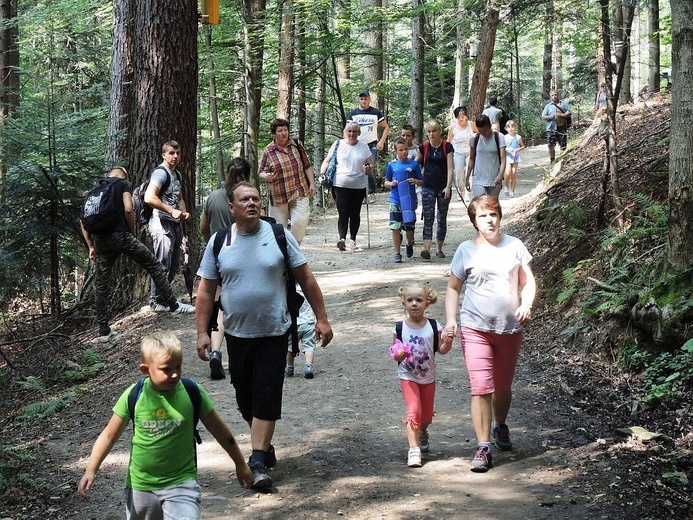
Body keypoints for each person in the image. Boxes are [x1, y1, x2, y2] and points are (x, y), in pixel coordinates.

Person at [195, 182, 333, 489]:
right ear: (231, 208)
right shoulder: (220, 242)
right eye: (244, 199)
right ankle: (265, 445)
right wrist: (203, 332)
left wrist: (322, 319)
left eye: (256, 198)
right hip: (236, 334)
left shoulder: (278, 235)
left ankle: (257, 460)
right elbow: (205, 290)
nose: (252, 203)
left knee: (266, 394)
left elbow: (306, 278)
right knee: (246, 399)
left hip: (274, 330)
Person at [77, 331, 253, 516]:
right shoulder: (134, 396)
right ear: (146, 370)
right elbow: (109, 436)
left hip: (182, 483)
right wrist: (91, 469)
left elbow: (219, 430)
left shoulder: (192, 392)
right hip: (141, 486)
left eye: (178, 366)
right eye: (166, 369)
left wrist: (240, 463)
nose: (174, 374)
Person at [444, 195, 536, 473]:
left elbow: (528, 281)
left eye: (493, 214)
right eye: (483, 216)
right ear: (475, 220)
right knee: (481, 387)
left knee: (503, 385)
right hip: (475, 326)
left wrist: (527, 304)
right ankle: (483, 446)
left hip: (509, 328)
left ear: (499, 216)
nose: (490, 220)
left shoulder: (515, 246)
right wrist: (451, 319)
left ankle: (500, 425)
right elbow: (452, 288)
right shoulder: (465, 250)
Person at [80, 167, 194, 342]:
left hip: (100, 240)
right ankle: (174, 305)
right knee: (154, 264)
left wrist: (90, 245)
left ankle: (103, 330)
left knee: (102, 283)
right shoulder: (123, 184)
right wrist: (131, 233)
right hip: (121, 235)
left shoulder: (95, 190)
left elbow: (83, 220)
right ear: (124, 175)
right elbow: (128, 209)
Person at [199, 157, 252, 380]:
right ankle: (246, 357)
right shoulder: (247, 197)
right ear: (248, 175)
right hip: (244, 258)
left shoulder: (213, 197)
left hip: (219, 259)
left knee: (219, 308)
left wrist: (212, 244)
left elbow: (203, 226)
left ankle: (217, 351)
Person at [391, 284, 451, 468]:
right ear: (404, 304)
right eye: (410, 300)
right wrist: (398, 353)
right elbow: (394, 351)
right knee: (414, 410)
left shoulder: (434, 326)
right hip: (407, 375)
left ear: (427, 303)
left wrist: (448, 341)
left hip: (428, 376)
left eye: (419, 300)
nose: (414, 304)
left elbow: (441, 350)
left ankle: (423, 430)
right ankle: (414, 449)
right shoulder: (400, 327)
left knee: (426, 416)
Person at [144, 140, 193, 311]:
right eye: (171, 153)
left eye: (178, 153)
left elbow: (179, 198)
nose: (175, 156)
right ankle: (156, 301)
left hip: (175, 223)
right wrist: (170, 211)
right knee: (162, 263)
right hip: (161, 222)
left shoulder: (176, 174)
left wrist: (183, 212)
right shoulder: (160, 173)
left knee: (173, 265)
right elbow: (149, 197)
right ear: (164, 154)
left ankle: (164, 298)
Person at [258, 118, 316, 245]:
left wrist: (312, 183)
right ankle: (283, 256)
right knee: (279, 228)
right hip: (278, 194)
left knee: (300, 221)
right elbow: (260, 171)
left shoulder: (296, 144)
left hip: (299, 189)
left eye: (285, 130)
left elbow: (307, 165)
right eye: (280, 131)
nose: (283, 133)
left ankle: (294, 249)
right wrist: (266, 176)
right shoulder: (269, 150)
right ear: (274, 133)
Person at [319, 122, 374, 253]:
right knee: (343, 212)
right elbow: (327, 161)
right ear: (345, 132)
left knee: (355, 213)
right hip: (340, 184)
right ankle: (342, 239)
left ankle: (353, 240)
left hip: (359, 185)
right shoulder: (338, 144)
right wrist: (322, 174)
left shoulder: (364, 146)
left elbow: (371, 165)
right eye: (349, 131)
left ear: (358, 133)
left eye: (354, 132)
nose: (352, 134)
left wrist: (368, 168)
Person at [416, 119, 454, 260]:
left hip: (443, 187)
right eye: (429, 132)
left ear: (439, 131)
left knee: (441, 218)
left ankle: (439, 248)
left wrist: (448, 186)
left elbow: (451, 168)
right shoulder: (424, 147)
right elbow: (415, 165)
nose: (431, 134)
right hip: (428, 186)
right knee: (428, 217)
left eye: (434, 131)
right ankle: (426, 248)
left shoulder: (447, 146)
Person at [384, 138, 423, 263]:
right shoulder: (392, 165)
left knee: (409, 226)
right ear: (396, 151)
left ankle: (409, 243)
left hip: (410, 199)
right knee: (395, 226)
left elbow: (422, 181)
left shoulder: (414, 165)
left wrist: (416, 181)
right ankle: (397, 253)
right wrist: (392, 183)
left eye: (406, 149)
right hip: (395, 199)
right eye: (401, 150)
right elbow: (386, 182)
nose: (404, 152)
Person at [347, 89, 390, 202]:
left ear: (369, 99)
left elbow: (386, 127)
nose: (363, 101)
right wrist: (347, 143)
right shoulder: (353, 114)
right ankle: (359, 193)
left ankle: (371, 192)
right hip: (357, 145)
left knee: (369, 168)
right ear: (359, 99)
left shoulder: (375, 112)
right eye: (361, 98)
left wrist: (381, 141)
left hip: (371, 145)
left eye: (365, 98)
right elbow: (347, 130)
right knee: (357, 168)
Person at [465, 115, 507, 198]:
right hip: (478, 177)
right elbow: (471, 159)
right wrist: (467, 178)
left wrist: (500, 174)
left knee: (492, 205)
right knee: (480, 203)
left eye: (485, 131)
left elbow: (503, 159)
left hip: (494, 177)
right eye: (480, 131)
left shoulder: (499, 137)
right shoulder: (474, 139)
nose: (483, 134)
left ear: (490, 126)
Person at [284, 285, 318, 379]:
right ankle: (308, 367)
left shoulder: (288, 289)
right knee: (309, 347)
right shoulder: (307, 289)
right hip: (308, 322)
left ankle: (289, 367)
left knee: (290, 347)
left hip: (293, 324)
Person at [447, 106, 477, 201]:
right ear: (456, 117)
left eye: (463, 115)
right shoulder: (453, 127)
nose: (462, 117)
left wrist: (475, 139)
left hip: (469, 152)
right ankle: (460, 191)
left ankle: (467, 192)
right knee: (459, 174)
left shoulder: (471, 124)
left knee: (469, 172)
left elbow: (480, 133)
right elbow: (449, 141)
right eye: (459, 115)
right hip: (458, 153)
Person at [541, 89, 571, 162]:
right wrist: (551, 117)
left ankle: (562, 161)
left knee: (563, 145)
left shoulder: (564, 104)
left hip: (562, 127)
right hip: (551, 129)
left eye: (555, 95)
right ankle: (552, 161)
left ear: (558, 95)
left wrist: (562, 115)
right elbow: (543, 117)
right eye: (552, 95)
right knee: (551, 146)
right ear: (550, 97)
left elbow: (569, 113)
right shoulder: (548, 106)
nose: (554, 96)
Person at [503, 120, 525, 197]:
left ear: (515, 127)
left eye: (512, 126)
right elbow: (502, 147)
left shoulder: (518, 137)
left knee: (513, 173)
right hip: (508, 156)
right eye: (509, 127)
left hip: (515, 156)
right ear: (506, 128)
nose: (511, 128)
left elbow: (523, 146)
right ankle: (506, 186)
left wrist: (518, 149)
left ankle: (512, 190)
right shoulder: (505, 137)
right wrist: (507, 149)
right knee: (508, 172)